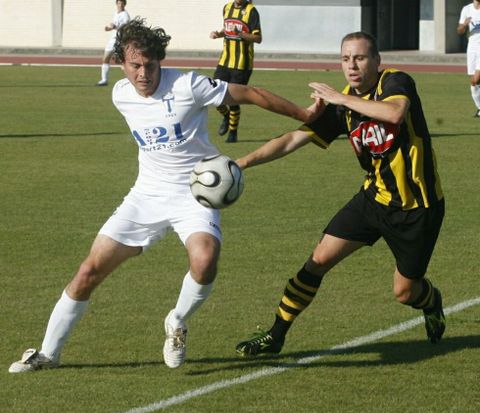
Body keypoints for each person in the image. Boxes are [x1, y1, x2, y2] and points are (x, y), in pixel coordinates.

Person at [9, 18, 321, 373]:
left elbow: (250, 94)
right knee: (88, 271)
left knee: (205, 261)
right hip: (146, 194)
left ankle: (177, 320)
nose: (143, 73)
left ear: (160, 61)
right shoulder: (120, 95)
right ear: (121, 64)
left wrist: (303, 113)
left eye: (150, 65)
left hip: (194, 192)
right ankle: (47, 353)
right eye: (135, 65)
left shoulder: (188, 85)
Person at [235, 31, 446, 357]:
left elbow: (394, 114)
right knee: (317, 260)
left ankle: (431, 301)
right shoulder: (341, 106)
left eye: (360, 58)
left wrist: (342, 99)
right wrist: (241, 163)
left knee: (405, 292)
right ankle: (275, 335)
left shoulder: (395, 82)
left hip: (418, 208)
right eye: (346, 59)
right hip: (373, 199)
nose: (352, 65)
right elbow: (293, 140)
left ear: (376, 61)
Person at [210, 0, 262, 143]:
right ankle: (226, 116)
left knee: (233, 98)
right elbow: (228, 31)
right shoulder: (226, 8)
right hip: (224, 62)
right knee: (213, 95)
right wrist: (217, 34)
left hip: (242, 64)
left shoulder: (251, 11)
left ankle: (233, 132)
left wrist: (242, 34)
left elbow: (258, 38)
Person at [96, 0, 130, 87]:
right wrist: (109, 28)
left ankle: (130, 79)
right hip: (112, 39)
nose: (120, 5)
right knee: (105, 58)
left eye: (122, 3)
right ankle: (104, 80)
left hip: (120, 39)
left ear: (124, 4)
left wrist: (115, 27)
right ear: (116, 4)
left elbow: (125, 27)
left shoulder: (125, 15)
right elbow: (114, 26)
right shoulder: (116, 13)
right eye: (119, 3)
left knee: (122, 60)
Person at [457, 0, 480, 117]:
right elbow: (459, 31)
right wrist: (464, 25)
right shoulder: (466, 9)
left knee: (476, 79)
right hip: (472, 49)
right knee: (474, 82)